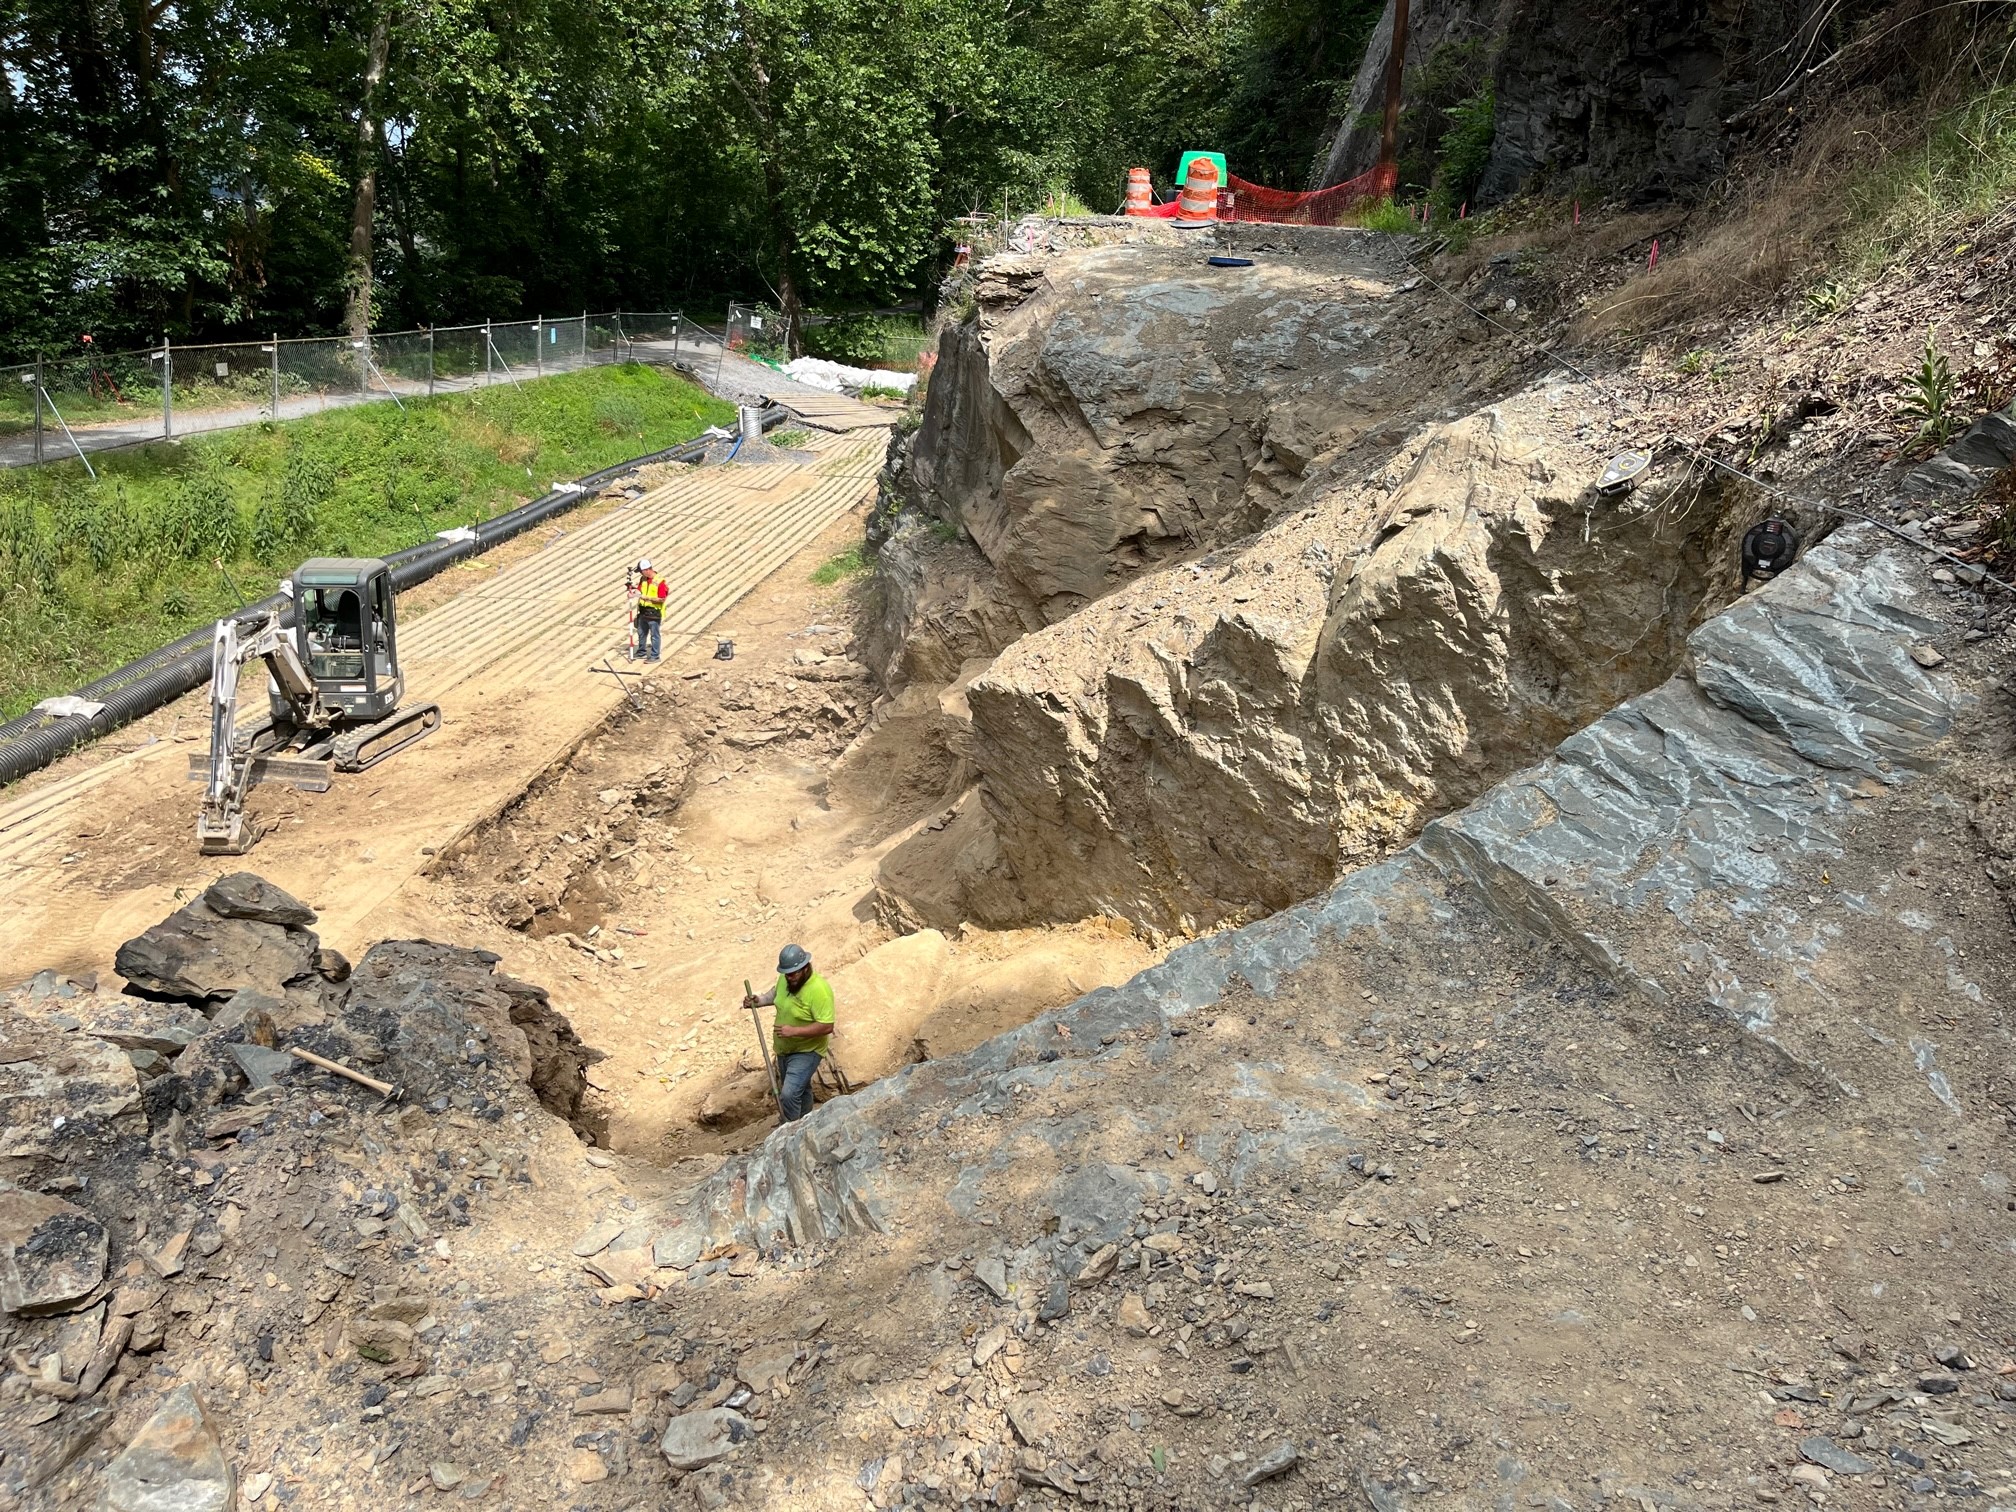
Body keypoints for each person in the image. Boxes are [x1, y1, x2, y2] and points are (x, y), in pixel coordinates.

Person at [743, 944, 834, 1122]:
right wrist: (759, 1000)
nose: (789, 977)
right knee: (802, 1089)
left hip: (807, 1050)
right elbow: (777, 993)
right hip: (784, 1050)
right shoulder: (786, 978)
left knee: (789, 1093)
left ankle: (789, 1129)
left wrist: (794, 1031)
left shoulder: (819, 990)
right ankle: (807, 1123)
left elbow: (827, 1026)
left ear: (805, 968)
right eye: (786, 974)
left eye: (793, 974)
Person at [628, 558, 668, 661]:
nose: (641, 573)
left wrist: (647, 598)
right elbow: (639, 590)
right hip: (643, 611)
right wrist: (633, 593)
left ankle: (655, 656)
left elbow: (662, 599)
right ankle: (641, 652)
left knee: (654, 635)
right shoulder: (643, 579)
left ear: (647, 570)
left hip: (654, 612)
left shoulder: (660, 582)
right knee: (641, 632)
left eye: (641, 571)